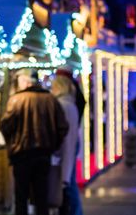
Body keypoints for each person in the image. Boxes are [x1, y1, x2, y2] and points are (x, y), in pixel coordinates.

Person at [0, 70, 69, 215]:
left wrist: (12, 144)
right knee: (41, 196)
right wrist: (53, 145)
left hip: (21, 154)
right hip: (43, 154)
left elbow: (5, 126)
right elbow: (62, 127)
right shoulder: (50, 99)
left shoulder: (16, 99)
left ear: (26, 83)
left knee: (21, 197)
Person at [51, 75, 82, 215]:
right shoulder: (70, 103)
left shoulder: (62, 105)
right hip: (70, 147)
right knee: (70, 182)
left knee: (67, 185)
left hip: (64, 149)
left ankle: (74, 211)